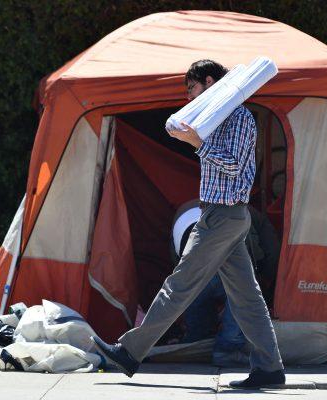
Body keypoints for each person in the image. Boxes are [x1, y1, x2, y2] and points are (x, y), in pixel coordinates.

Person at [91, 59, 285, 389]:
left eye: (191, 88)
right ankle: (270, 368)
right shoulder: (218, 117)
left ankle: (130, 351)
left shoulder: (237, 117)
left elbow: (236, 168)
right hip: (223, 215)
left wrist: (198, 143)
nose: (189, 97)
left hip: (223, 216)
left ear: (209, 81)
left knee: (180, 285)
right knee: (247, 298)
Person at [173, 201, 281, 367]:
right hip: (228, 259)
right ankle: (228, 347)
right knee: (241, 294)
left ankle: (196, 342)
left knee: (193, 291)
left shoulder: (183, 211)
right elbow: (271, 247)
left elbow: (176, 261)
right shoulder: (245, 211)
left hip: (194, 265)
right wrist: (266, 279)